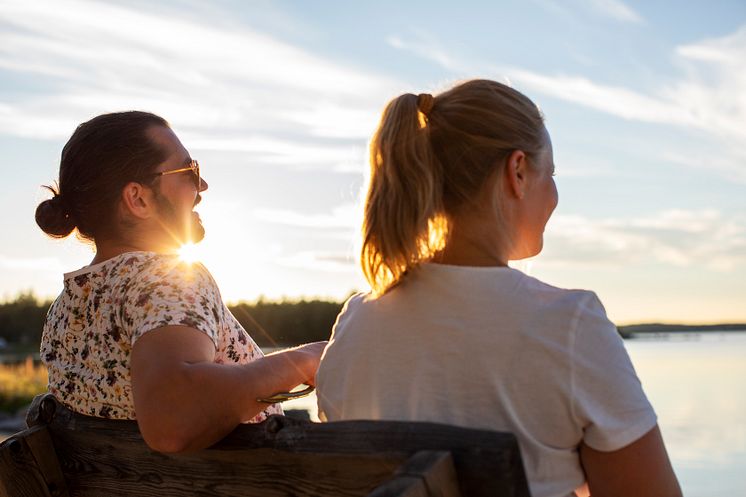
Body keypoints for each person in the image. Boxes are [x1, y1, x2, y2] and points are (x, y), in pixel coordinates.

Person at [316, 80, 682, 497]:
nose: (556, 194)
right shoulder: (570, 326)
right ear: (519, 171)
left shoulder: (355, 326)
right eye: (553, 174)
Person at [35, 111, 325, 453]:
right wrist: (303, 361)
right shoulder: (167, 280)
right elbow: (171, 421)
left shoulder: (67, 310)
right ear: (138, 198)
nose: (201, 186)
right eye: (189, 171)